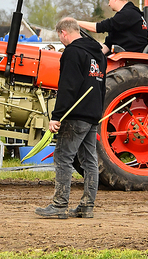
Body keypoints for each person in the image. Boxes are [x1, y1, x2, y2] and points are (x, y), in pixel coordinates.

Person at [35, 17, 106, 219]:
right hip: (92, 114)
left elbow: (67, 87)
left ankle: (59, 205)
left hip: (75, 115)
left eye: (60, 37)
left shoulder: (73, 52)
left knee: (63, 157)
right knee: (89, 161)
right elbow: (102, 85)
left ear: (63, 33)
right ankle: (87, 206)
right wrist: (98, 113)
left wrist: (56, 116)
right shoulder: (99, 54)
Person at [75, 0, 148, 54]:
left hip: (130, 57)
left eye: (109, 0)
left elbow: (99, 27)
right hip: (126, 53)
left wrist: (75, 23)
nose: (108, 4)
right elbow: (108, 44)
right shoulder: (129, 17)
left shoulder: (128, 14)